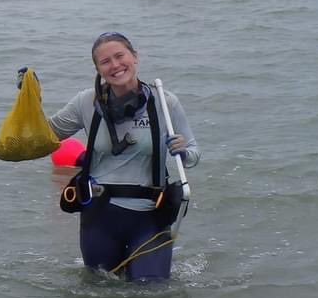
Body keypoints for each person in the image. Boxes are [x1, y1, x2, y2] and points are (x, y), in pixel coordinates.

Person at [41, 32, 199, 282]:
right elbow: (44, 136)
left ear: (134, 57)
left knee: (150, 292)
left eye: (120, 56)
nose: (115, 65)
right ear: (98, 69)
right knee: (99, 293)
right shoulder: (86, 102)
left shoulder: (165, 102)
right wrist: (29, 100)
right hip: (99, 216)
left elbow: (192, 155)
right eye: (105, 61)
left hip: (151, 216)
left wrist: (183, 150)